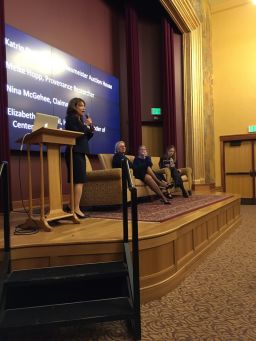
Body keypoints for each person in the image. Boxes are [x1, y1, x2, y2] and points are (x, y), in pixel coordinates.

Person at [65, 97, 94, 218]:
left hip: (79, 151)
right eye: (81, 105)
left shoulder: (80, 121)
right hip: (74, 151)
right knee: (79, 180)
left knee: (78, 180)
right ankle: (76, 209)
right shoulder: (72, 119)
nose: (84, 108)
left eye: (84, 105)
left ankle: (72, 206)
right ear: (74, 107)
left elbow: (85, 137)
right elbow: (77, 134)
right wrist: (86, 126)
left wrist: (90, 128)